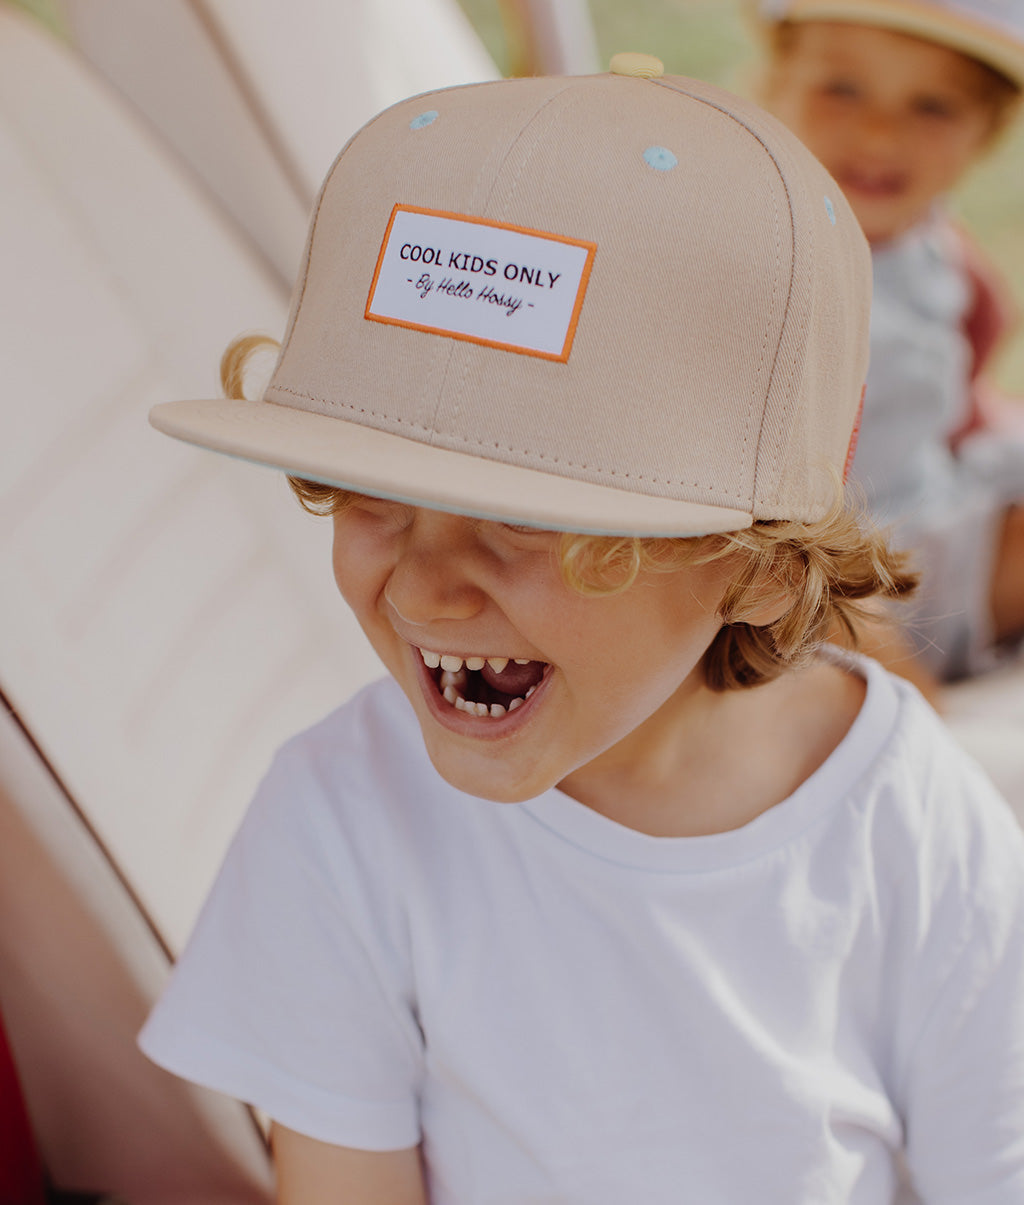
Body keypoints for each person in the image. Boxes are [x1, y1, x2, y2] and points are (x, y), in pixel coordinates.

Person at [138, 55, 1024, 1203]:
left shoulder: (910, 822)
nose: (423, 591)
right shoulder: (339, 815)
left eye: (522, 520)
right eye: (369, 498)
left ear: (755, 569)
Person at [757, 0, 1024, 698]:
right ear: (775, 84)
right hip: (855, 574)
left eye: (933, 106)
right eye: (842, 88)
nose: (880, 131)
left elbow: (953, 392)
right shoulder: (774, 255)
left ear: (985, 135)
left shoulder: (931, 242)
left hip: (942, 492)